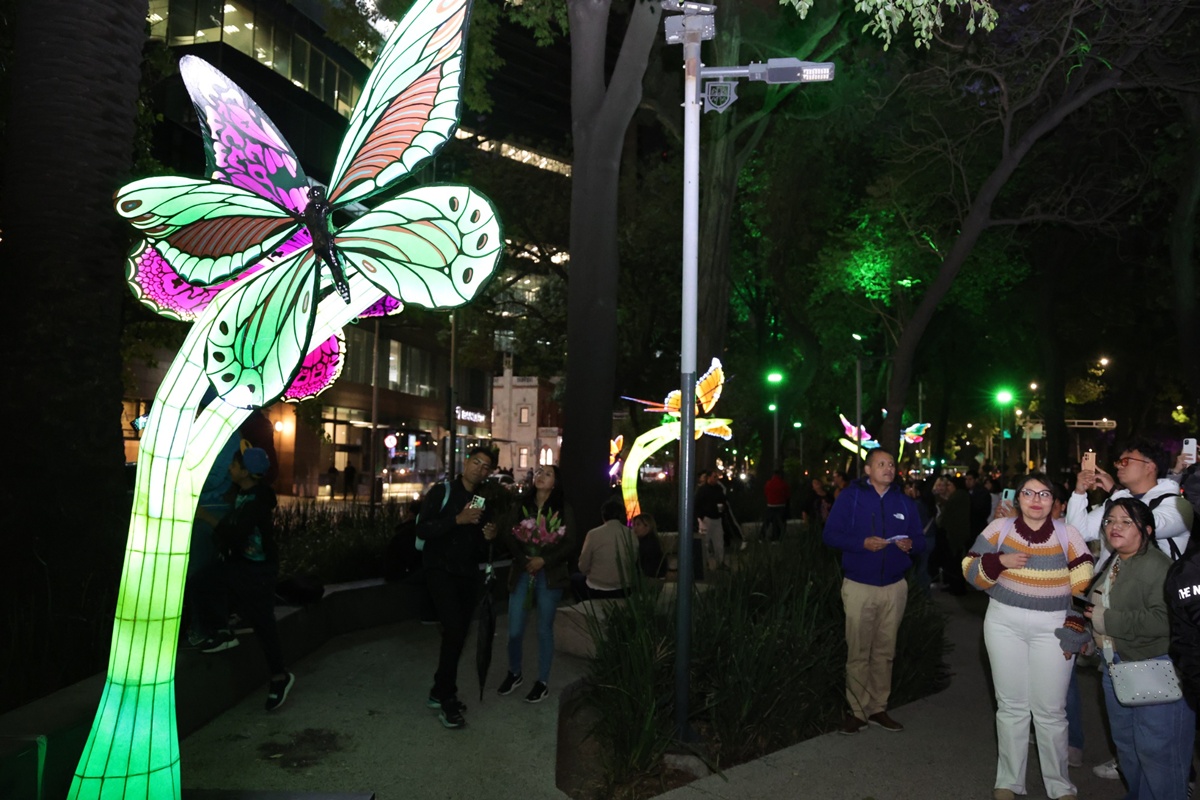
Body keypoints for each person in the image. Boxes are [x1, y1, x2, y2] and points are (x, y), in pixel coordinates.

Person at [963, 473, 1093, 800]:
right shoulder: (999, 529)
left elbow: (1083, 589)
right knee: (1010, 706)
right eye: (1029, 493)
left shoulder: (1068, 535)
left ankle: (1060, 785)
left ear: (1054, 502)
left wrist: (1075, 628)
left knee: (1051, 710)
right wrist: (999, 561)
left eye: (1044, 494)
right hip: (1003, 623)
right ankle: (1008, 781)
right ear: (1018, 497)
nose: (1036, 500)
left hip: (1053, 626)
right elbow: (969, 569)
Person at [1085, 498, 1193, 800]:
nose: (1113, 527)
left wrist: (1106, 620)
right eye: (1109, 521)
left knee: (1159, 755)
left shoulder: (1159, 567)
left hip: (1153, 669)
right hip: (1116, 665)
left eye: (1125, 521)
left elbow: (1166, 620)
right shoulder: (1117, 560)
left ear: (1146, 530)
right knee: (1128, 749)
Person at [822, 448, 925, 735]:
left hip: (894, 587)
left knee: (884, 651)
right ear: (867, 470)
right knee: (858, 651)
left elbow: (922, 540)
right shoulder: (850, 498)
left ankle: (878, 708)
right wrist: (861, 543)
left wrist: (911, 545)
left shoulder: (904, 502)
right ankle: (856, 712)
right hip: (858, 586)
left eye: (891, 464)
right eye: (881, 464)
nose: (888, 468)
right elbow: (830, 535)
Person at [194, 447, 295, 711]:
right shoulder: (244, 494)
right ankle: (223, 630)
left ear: (247, 472)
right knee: (204, 581)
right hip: (241, 566)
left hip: (258, 571)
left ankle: (279, 677)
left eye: (234, 465)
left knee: (263, 624)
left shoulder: (257, 500)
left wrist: (205, 517)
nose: (230, 468)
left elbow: (235, 532)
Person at [415, 446, 499, 729]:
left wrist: (489, 535)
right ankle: (447, 697)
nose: (480, 469)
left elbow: (478, 541)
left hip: (467, 574)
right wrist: (456, 520)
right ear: (465, 462)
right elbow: (423, 529)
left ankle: (439, 690)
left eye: (486, 467)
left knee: (459, 634)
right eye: (476, 462)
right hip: (439, 571)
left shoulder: (481, 499)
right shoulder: (442, 492)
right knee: (453, 629)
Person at [497, 465, 573, 704]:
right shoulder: (521, 505)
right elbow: (509, 534)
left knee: (543, 629)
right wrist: (526, 559)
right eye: (539, 472)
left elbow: (570, 542)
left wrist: (544, 559)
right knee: (515, 629)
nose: (541, 477)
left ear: (556, 483)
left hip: (550, 575)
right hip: (523, 570)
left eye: (547, 474)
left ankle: (542, 681)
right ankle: (514, 672)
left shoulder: (563, 508)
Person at [1067, 436, 1191, 560]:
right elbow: (1078, 534)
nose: (1119, 466)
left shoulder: (1178, 505)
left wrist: (1115, 491)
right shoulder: (1115, 500)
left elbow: (1142, 527)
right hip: (1112, 578)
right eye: (1119, 462)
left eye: (1126, 461)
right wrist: (1079, 493)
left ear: (1150, 466)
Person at [573, 499, 637, 600]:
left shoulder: (593, 534)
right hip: (625, 588)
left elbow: (583, 566)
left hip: (598, 588)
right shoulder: (631, 534)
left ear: (603, 515)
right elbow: (633, 561)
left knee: (575, 579)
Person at [933, 475, 970, 595]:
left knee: (955, 562)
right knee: (955, 561)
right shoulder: (961, 496)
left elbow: (948, 516)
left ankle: (957, 587)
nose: (948, 487)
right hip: (958, 533)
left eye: (949, 485)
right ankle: (955, 585)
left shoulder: (957, 497)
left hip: (955, 534)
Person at [695, 469, 726, 570]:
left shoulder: (718, 489)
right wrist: (701, 517)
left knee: (719, 542)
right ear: (709, 478)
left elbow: (723, 500)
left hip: (717, 518)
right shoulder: (703, 490)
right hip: (707, 519)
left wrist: (722, 509)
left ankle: (720, 562)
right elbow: (697, 504)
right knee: (705, 543)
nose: (716, 479)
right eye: (714, 477)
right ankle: (705, 563)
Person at [632, 512, 666, 578]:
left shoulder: (649, 544)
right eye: (634, 525)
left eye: (638, 524)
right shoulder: (648, 541)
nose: (635, 528)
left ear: (647, 526)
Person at [762, 470, 790, 541]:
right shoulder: (783, 484)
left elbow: (766, 493)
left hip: (770, 505)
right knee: (777, 523)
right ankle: (775, 538)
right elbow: (787, 494)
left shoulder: (768, 483)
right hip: (781, 505)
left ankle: (762, 537)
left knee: (767, 522)